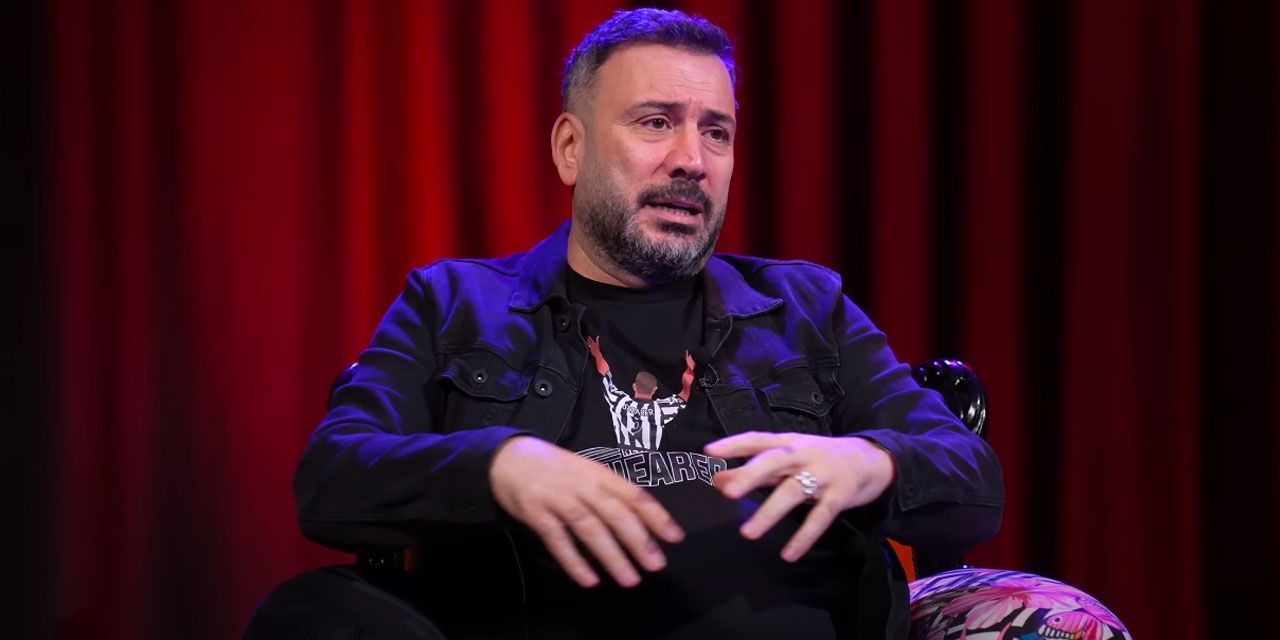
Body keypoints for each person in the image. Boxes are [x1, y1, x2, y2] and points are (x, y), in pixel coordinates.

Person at [248, 8, 1003, 640]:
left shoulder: (808, 306)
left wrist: (872, 463)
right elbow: (332, 479)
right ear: (570, 149)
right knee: (313, 612)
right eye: (656, 122)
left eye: (717, 132)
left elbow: (973, 481)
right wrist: (496, 466)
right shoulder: (454, 302)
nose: (692, 160)